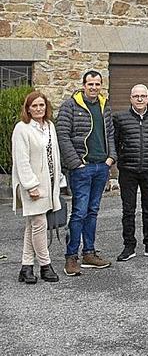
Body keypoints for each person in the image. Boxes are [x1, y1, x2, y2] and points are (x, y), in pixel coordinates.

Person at [57, 70, 117, 276]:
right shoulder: (70, 106)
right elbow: (62, 136)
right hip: (82, 168)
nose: (93, 88)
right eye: (90, 84)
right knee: (79, 212)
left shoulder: (104, 105)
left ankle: (89, 253)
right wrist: (76, 164)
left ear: (101, 85)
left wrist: (111, 159)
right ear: (83, 85)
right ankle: (71, 256)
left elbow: (110, 133)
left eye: (97, 84)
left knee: (93, 211)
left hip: (102, 166)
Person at [112, 84, 148, 262]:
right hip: (127, 170)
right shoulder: (119, 118)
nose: (139, 99)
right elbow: (114, 141)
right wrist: (125, 156)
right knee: (128, 210)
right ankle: (129, 246)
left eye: (143, 96)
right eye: (136, 96)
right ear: (130, 98)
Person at [11, 91, 62, 284]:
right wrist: (31, 185)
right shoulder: (22, 128)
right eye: (34, 106)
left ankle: (26, 267)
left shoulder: (49, 126)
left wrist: (58, 180)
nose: (39, 109)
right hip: (32, 185)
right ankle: (45, 266)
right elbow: (21, 160)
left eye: (41, 105)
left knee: (32, 225)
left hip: (49, 184)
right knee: (40, 224)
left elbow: (54, 155)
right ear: (28, 109)